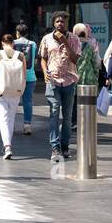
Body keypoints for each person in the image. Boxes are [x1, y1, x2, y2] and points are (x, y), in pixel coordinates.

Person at [40, 12, 80, 161]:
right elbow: (43, 58)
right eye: (57, 21)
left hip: (69, 81)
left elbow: (75, 59)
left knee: (68, 117)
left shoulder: (74, 39)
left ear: (67, 23)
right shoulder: (46, 39)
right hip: (53, 81)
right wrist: (45, 72)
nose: (59, 24)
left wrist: (65, 42)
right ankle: (55, 147)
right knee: (54, 113)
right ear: (53, 23)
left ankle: (65, 146)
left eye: (62, 21)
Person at [0, 34, 26, 160]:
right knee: (11, 119)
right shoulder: (20, 56)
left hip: (0, 91)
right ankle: (8, 146)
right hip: (15, 92)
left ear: (2, 43)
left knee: (3, 120)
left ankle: (7, 146)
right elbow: (24, 75)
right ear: (13, 43)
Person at [13, 22, 37, 135]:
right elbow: (35, 59)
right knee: (28, 101)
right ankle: (27, 125)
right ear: (26, 33)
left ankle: (10, 123)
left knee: (12, 101)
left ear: (17, 33)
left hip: (15, 77)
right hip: (30, 76)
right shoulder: (33, 44)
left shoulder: (12, 44)